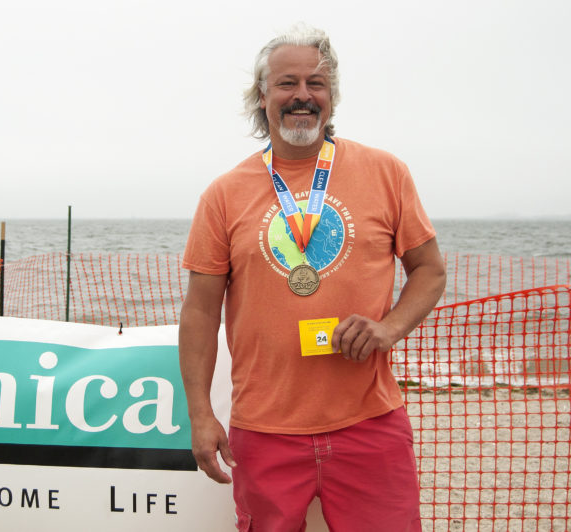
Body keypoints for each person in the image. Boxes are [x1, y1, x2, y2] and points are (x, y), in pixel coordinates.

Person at [178, 22, 446, 532]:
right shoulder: (224, 193)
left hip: (370, 422)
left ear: (332, 96)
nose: (302, 96)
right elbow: (200, 309)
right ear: (262, 96)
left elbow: (430, 270)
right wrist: (200, 415)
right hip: (264, 428)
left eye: (316, 83)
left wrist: (388, 328)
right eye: (287, 83)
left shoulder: (386, 172)